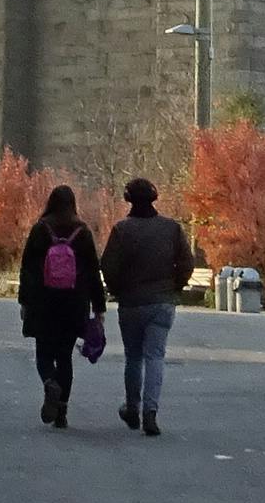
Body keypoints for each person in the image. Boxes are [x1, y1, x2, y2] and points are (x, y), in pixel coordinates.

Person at [100, 176, 193, 435]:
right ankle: (150, 411)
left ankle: (132, 407)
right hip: (162, 301)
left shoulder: (121, 230)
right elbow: (186, 262)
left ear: (128, 200)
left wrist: (118, 290)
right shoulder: (171, 229)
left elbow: (108, 266)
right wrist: (175, 287)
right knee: (155, 357)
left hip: (131, 303)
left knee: (133, 357)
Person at [14, 184, 105, 428]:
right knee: (64, 356)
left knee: (44, 353)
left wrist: (24, 301)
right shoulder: (83, 232)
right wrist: (99, 307)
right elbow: (93, 273)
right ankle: (62, 411)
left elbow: (28, 270)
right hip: (74, 304)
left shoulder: (40, 230)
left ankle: (49, 383)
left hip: (43, 302)